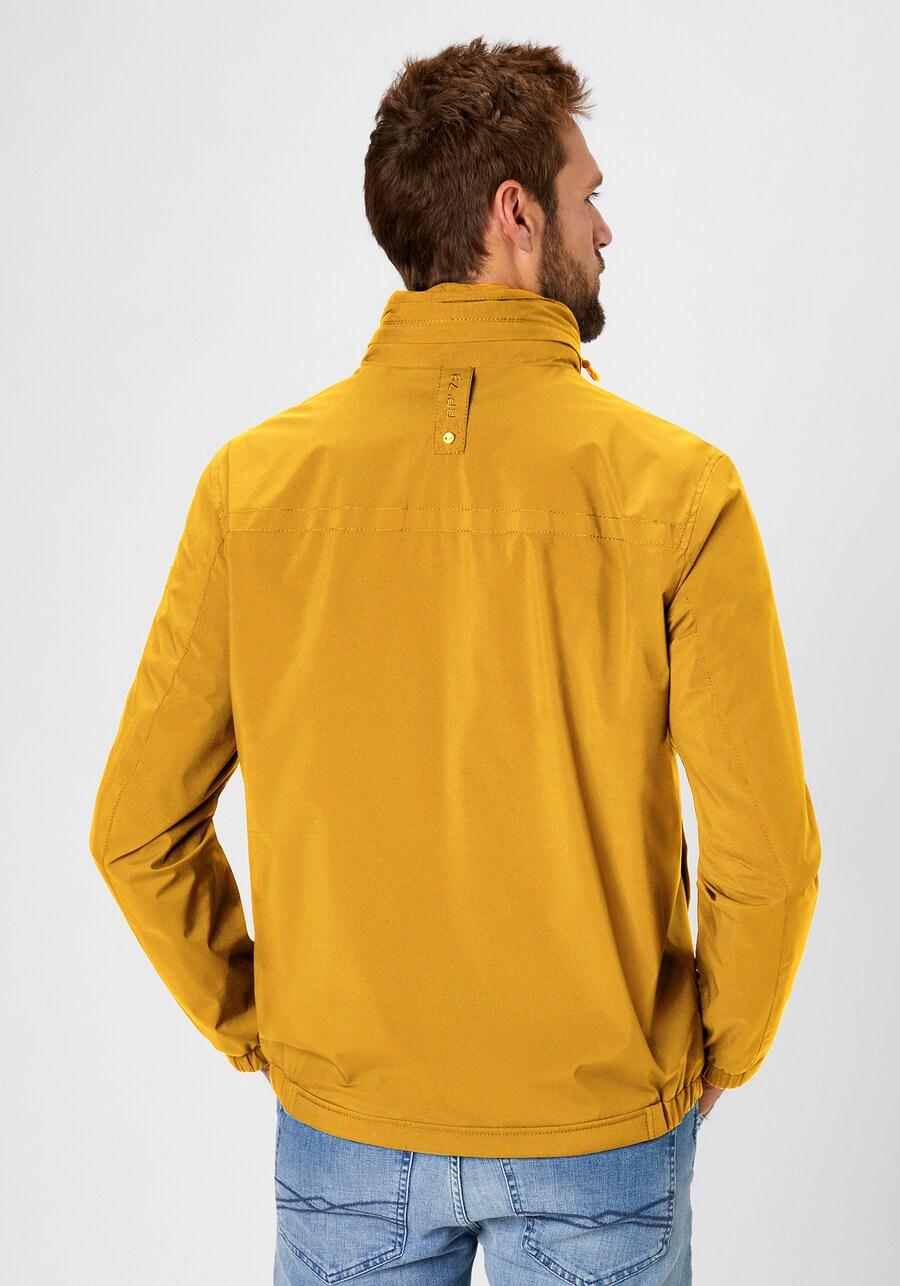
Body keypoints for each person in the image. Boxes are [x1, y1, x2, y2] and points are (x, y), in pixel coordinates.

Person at [89, 35, 821, 1285]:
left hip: (346, 1127)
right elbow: (766, 852)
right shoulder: (680, 490)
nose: (607, 228)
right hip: (599, 1128)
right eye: (589, 196)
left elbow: (133, 828)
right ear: (516, 215)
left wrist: (268, 1025)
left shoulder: (252, 488)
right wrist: (721, 1049)